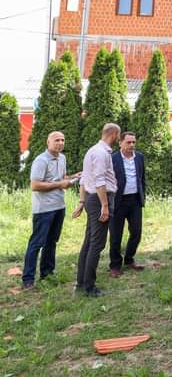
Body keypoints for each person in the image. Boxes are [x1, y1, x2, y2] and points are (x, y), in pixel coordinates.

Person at [22, 131, 80, 289]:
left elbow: (60, 178)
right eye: (56, 140)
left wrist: (73, 177)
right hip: (43, 209)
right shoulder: (41, 160)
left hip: (59, 206)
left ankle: (47, 275)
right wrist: (60, 184)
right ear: (48, 142)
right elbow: (35, 185)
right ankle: (28, 279)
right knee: (37, 243)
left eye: (62, 140)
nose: (60, 143)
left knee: (51, 242)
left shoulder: (62, 158)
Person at [74, 122, 119, 297]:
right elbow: (99, 181)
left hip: (92, 199)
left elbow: (84, 180)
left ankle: (81, 282)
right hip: (100, 199)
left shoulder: (92, 150)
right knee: (97, 244)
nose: (118, 138)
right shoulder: (101, 153)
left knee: (89, 242)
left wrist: (82, 201)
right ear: (113, 134)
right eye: (118, 135)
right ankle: (89, 286)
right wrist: (105, 205)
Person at [108, 131, 147, 277]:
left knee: (136, 232)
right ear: (120, 143)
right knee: (116, 235)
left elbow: (142, 178)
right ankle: (115, 265)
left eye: (133, 142)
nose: (131, 145)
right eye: (128, 142)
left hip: (135, 201)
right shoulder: (113, 159)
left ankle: (129, 259)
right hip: (118, 201)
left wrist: (142, 197)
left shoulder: (140, 157)